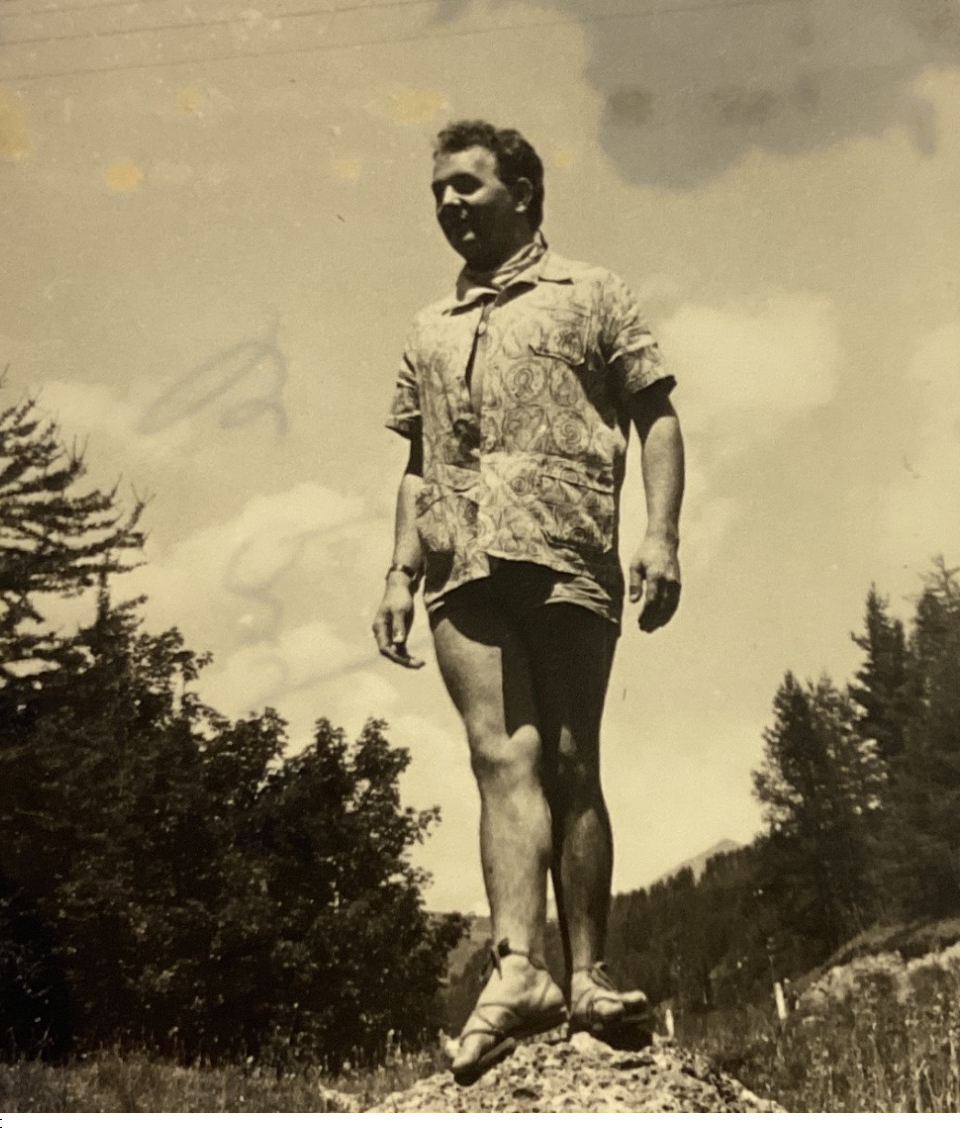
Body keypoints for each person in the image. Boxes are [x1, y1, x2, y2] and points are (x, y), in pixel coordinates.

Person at [371, 120, 685, 1085]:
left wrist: (661, 536)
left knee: (569, 753)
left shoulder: (593, 292)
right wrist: (395, 570)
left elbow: (658, 416)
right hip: (459, 558)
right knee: (496, 754)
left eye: (467, 186)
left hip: (565, 545)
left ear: (522, 191)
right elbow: (418, 459)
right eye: (437, 193)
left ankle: (588, 974)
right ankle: (519, 970)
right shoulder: (430, 325)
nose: (448, 205)